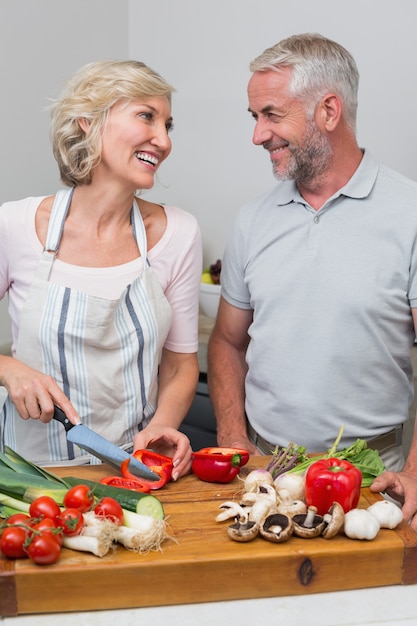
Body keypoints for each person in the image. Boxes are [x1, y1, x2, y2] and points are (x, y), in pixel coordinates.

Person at [207, 33, 417, 527]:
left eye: (272, 115)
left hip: (375, 477)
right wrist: (234, 436)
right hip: (266, 471)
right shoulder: (252, 220)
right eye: (255, 117)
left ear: (328, 110)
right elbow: (226, 342)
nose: (258, 135)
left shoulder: (410, 214)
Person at [0, 60, 202, 481]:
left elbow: (181, 365)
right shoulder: (15, 225)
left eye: (168, 124)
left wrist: (163, 424)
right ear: (87, 123)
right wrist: (8, 368)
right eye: (146, 116)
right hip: (31, 478)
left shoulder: (178, 233)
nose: (163, 140)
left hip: (135, 472)